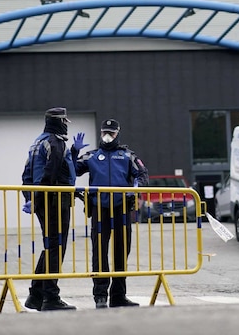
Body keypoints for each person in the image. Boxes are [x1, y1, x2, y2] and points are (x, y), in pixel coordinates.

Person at [73, 118, 149, 309]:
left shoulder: (126, 155)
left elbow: (142, 174)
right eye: (104, 132)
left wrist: (135, 189)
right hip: (100, 209)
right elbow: (70, 170)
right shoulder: (91, 156)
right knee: (100, 254)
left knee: (121, 253)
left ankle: (118, 295)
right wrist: (74, 151)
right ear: (100, 133)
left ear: (117, 134)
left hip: (122, 208)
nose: (107, 136)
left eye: (111, 133)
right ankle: (100, 296)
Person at [20, 107, 83, 312]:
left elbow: (26, 175)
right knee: (56, 248)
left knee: (50, 247)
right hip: (55, 201)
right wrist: (38, 199)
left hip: (44, 200)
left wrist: (31, 198)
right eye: (65, 121)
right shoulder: (56, 142)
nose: (66, 125)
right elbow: (51, 173)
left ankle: (36, 295)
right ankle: (51, 298)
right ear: (60, 122)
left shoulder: (37, 142)